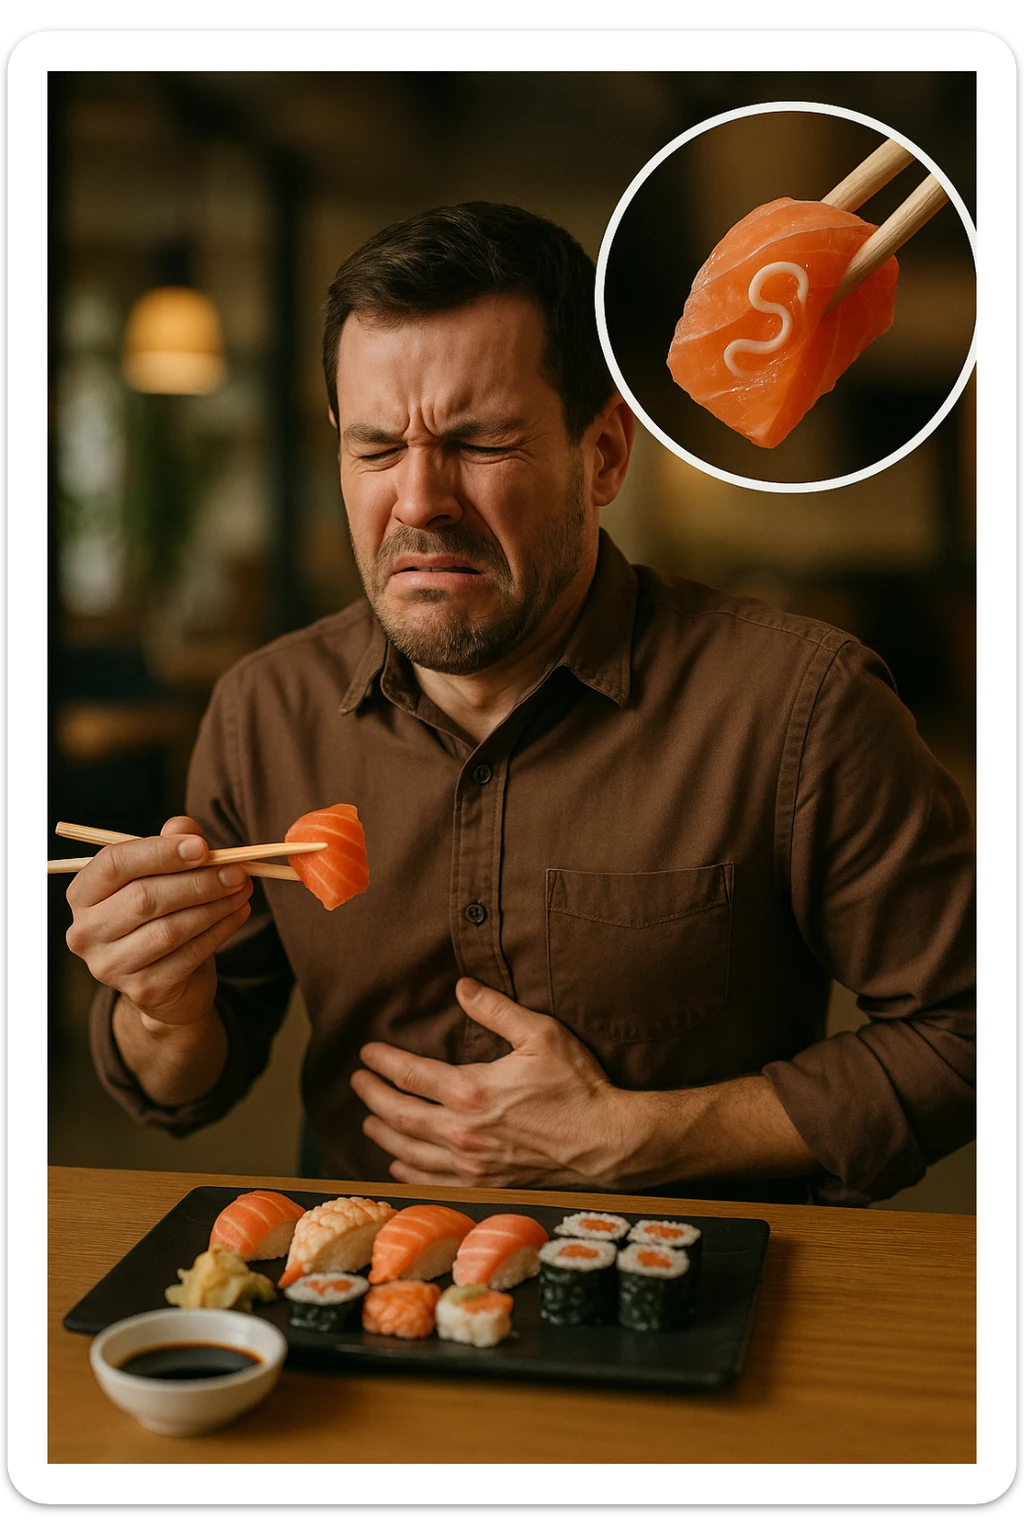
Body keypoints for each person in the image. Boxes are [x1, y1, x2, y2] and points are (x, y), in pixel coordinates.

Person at [68, 202, 975, 1206]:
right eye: (376, 451)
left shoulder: (801, 706)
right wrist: (162, 1006)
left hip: (701, 1303)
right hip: (363, 1291)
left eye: (480, 443)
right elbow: (187, 1084)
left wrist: (641, 1138)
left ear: (603, 456)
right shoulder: (263, 711)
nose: (417, 502)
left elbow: (970, 1031)